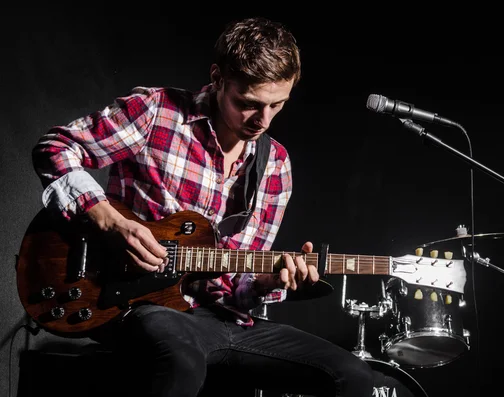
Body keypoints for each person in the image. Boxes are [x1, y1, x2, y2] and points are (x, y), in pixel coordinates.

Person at [31, 16, 375, 397]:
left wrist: (270, 280)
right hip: (139, 304)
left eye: (277, 105)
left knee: (353, 375)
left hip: (224, 319)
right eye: (248, 104)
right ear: (217, 77)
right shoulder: (157, 112)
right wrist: (110, 220)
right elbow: (55, 149)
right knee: (180, 357)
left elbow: (239, 284)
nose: (263, 120)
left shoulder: (276, 164)